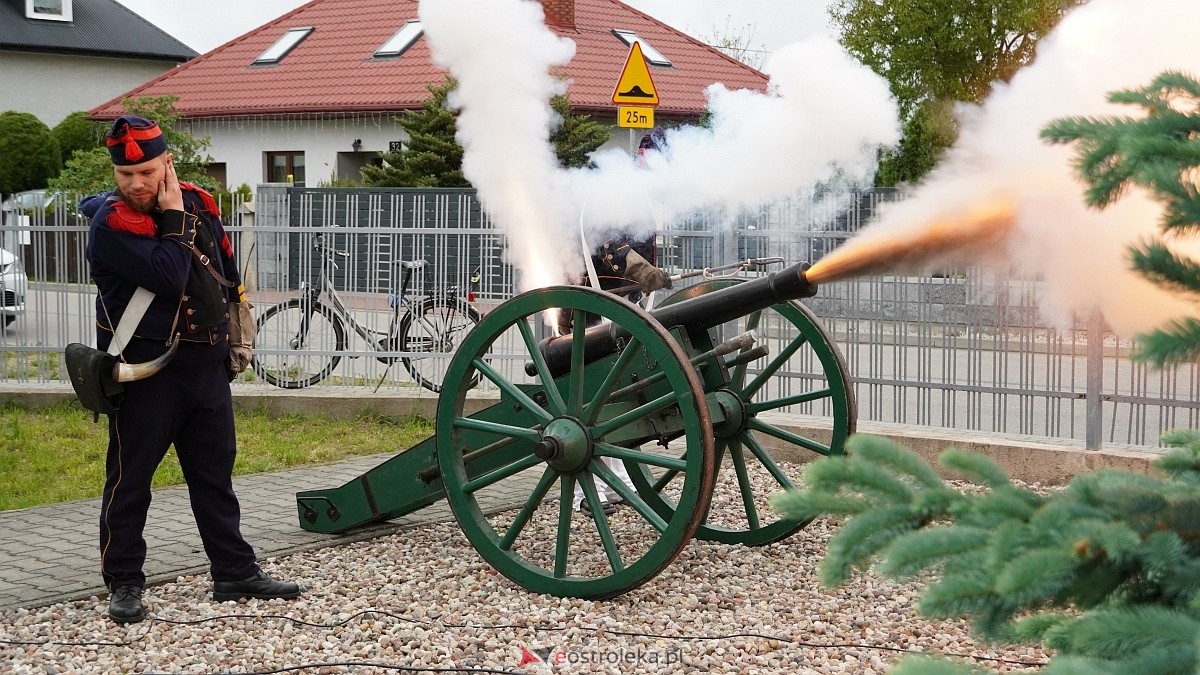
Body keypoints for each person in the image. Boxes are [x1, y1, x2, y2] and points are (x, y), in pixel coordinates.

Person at [82, 115, 302, 624]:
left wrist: (234, 335)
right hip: (146, 372)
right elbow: (170, 273)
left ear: (167, 164)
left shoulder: (201, 204)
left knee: (214, 477)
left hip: (205, 367)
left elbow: (222, 273)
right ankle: (124, 581)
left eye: (147, 171)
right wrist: (174, 214)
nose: (136, 184)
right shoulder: (111, 225)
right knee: (130, 480)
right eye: (125, 174)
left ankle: (233, 570)